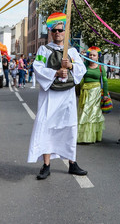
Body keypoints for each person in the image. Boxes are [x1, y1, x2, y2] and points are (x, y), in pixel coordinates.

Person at [28, 13, 88, 180]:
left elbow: (81, 70)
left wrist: (71, 65)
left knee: (69, 127)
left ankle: (72, 163)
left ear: (65, 32)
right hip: (50, 95)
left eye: (61, 30)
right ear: (51, 32)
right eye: (54, 30)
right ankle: (46, 165)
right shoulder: (43, 50)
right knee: (46, 127)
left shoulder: (73, 51)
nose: (57, 33)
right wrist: (55, 73)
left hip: (67, 95)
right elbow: (38, 67)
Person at [77, 47, 107, 143]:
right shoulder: (84, 65)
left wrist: (105, 94)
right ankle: (83, 136)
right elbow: (78, 74)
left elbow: (105, 81)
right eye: (90, 55)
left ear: (98, 57)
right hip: (85, 91)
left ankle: (91, 136)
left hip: (96, 92)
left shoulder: (100, 67)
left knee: (93, 113)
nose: (92, 56)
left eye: (94, 55)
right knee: (84, 111)